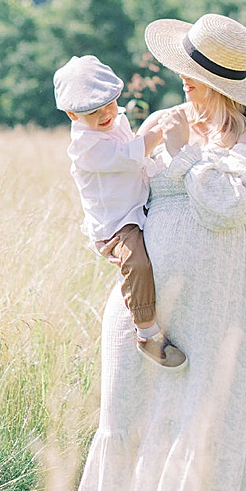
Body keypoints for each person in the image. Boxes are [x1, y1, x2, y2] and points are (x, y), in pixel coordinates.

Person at [62, 14, 246, 491]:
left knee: (218, 418)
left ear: (225, 85)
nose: (181, 83)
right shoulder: (173, 120)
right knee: (125, 412)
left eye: (192, 76)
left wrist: (187, 157)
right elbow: (117, 184)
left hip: (217, 304)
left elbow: (231, 206)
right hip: (148, 302)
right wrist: (110, 232)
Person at [54, 54, 186, 368]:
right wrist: (157, 135)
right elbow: (129, 156)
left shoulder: (116, 120)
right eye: (93, 111)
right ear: (73, 115)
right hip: (116, 223)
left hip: (136, 204)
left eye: (109, 104)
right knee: (136, 262)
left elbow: (136, 159)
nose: (105, 114)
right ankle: (146, 330)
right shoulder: (86, 146)